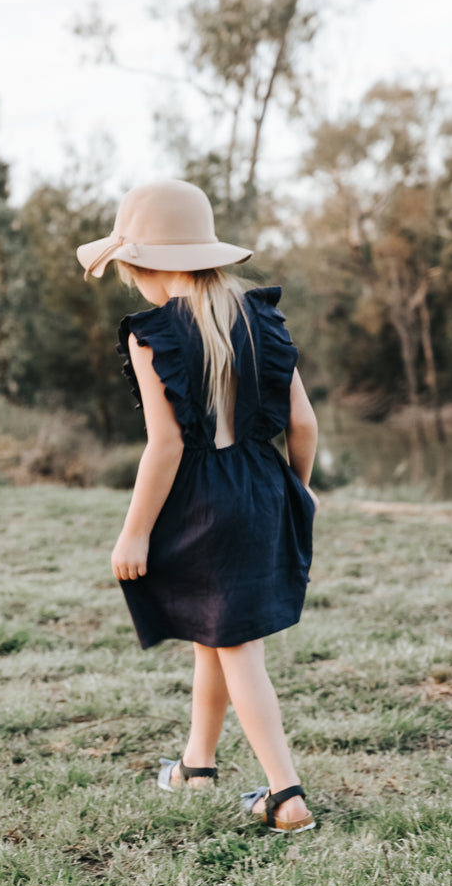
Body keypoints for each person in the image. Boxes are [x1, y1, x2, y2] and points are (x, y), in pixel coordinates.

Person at [76, 179, 318, 833]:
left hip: (205, 504)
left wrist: (133, 535)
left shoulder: (152, 332)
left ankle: (285, 795)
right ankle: (197, 764)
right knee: (217, 634)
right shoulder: (261, 315)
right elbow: (303, 424)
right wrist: (297, 486)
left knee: (237, 646)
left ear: (146, 263)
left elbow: (164, 447)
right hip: (264, 487)